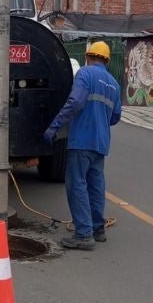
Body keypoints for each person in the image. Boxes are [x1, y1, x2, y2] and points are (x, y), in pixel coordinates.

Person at [44, 41, 122, 250]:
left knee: (76, 185)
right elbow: (115, 117)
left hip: (81, 140)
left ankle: (83, 234)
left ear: (88, 57)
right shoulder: (114, 83)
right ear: (106, 60)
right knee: (96, 186)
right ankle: (98, 229)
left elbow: (75, 102)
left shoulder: (85, 74)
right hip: (101, 143)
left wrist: (54, 126)